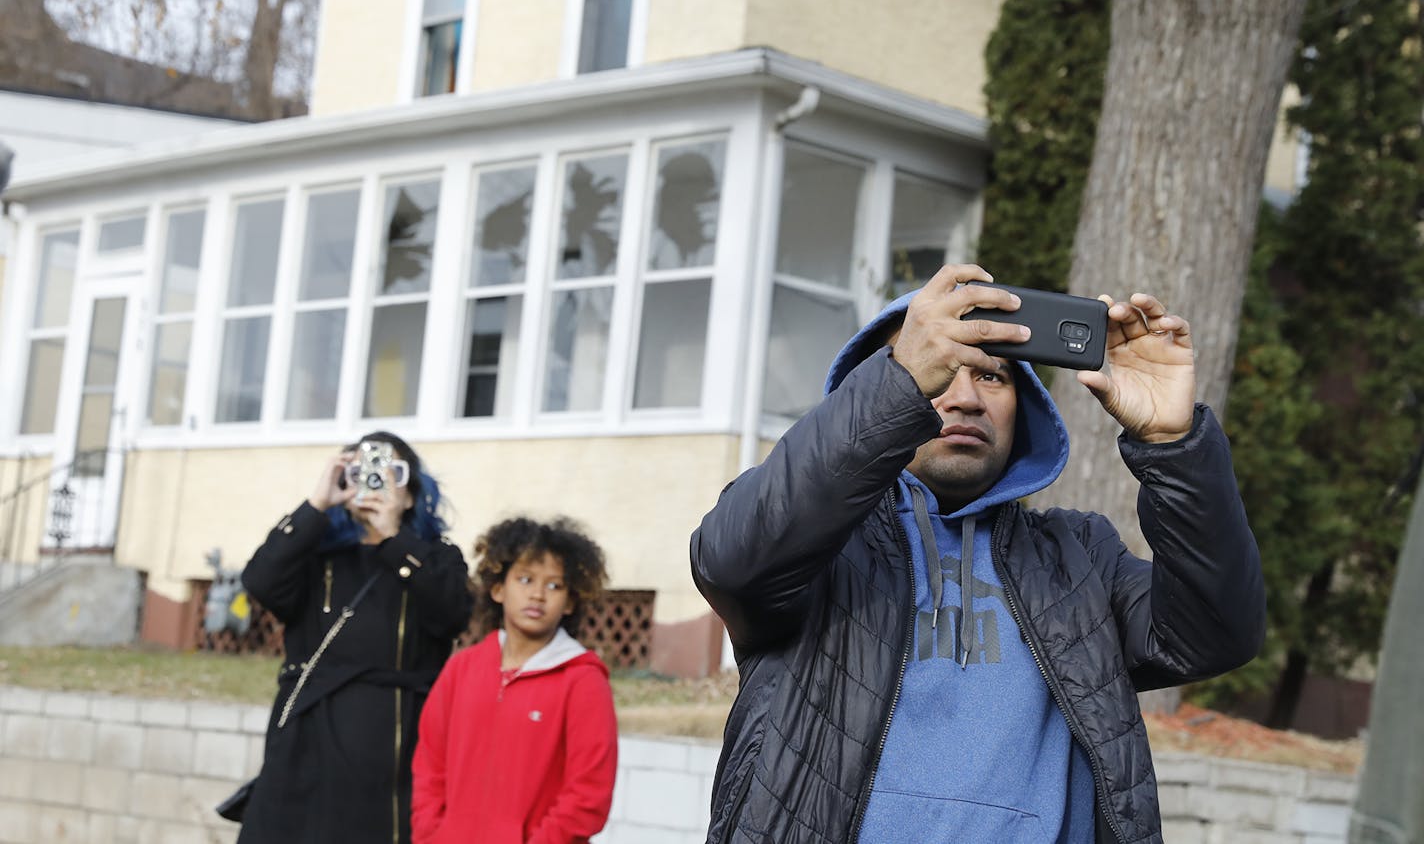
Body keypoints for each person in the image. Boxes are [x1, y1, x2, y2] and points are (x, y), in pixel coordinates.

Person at [690, 264, 1266, 844]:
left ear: (1027, 410)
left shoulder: (1080, 558)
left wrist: (1174, 447)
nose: (965, 398)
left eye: (993, 376)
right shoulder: (817, 547)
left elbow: (1214, 634)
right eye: (938, 371)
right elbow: (730, 561)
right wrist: (899, 383)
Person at [238, 431, 475, 844]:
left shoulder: (434, 557)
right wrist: (316, 505)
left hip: (393, 752)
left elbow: (451, 613)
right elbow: (260, 580)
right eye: (362, 471)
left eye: (392, 472)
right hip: (307, 743)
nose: (376, 482)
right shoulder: (316, 558)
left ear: (412, 493)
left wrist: (394, 539)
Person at [411, 515, 618, 844]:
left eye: (554, 585)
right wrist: (431, 835)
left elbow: (588, 796)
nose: (538, 594)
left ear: (570, 602)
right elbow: (429, 768)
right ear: (497, 589)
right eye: (525, 579)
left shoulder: (583, 680)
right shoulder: (460, 669)